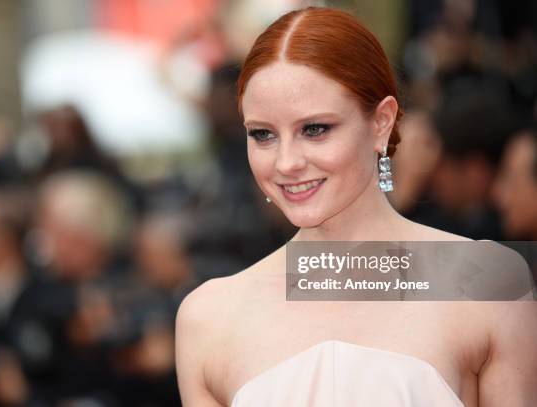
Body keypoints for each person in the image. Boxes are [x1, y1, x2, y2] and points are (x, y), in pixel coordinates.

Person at [175, 7, 537, 407]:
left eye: (315, 129)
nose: (286, 162)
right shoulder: (209, 318)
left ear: (381, 122)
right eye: (263, 134)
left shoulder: (489, 283)